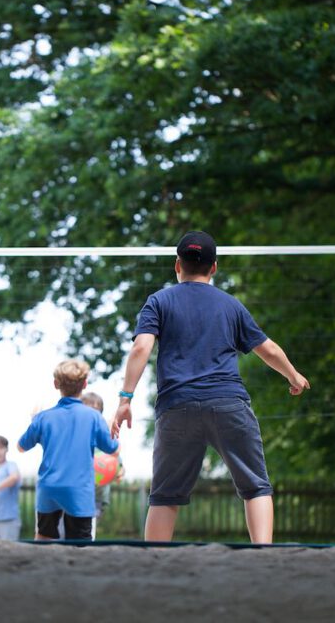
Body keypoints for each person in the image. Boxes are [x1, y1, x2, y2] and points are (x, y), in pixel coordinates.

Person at [111, 230, 309, 543]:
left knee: (164, 495)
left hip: (177, 406)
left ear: (177, 265)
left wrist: (125, 399)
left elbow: (140, 349)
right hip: (229, 404)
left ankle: (153, 559)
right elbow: (268, 349)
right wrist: (293, 375)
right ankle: (264, 555)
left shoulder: (158, 301)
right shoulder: (231, 306)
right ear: (214, 267)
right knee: (256, 486)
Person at [17, 359, 120, 540]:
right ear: (85, 384)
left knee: (43, 538)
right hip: (79, 491)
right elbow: (113, 450)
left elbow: (21, 447)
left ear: (56, 384)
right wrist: (111, 428)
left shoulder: (43, 418)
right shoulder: (94, 417)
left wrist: (34, 421)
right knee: (80, 545)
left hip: (48, 488)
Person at [81, 391, 126, 538]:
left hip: (96, 497)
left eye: (95, 413)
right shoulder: (77, 436)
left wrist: (119, 471)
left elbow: (116, 460)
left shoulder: (104, 436)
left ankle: (86, 546)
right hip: (77, 491)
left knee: (87, 528)